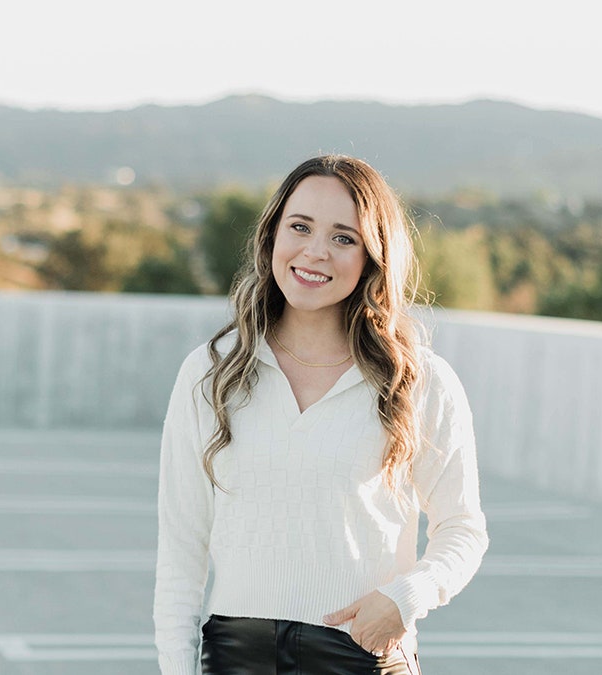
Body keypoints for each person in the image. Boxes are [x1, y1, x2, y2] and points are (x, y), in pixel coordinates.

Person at [153, 154, 488, 674]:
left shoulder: (417, 381)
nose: (315, 252)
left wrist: (407, 596)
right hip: (237, 658)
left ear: (373, 257)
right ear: (271, 237)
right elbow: (181, 551)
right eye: (300, 227)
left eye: (343, 237)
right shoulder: (211, 373)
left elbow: (463, 529)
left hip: (364, 656)